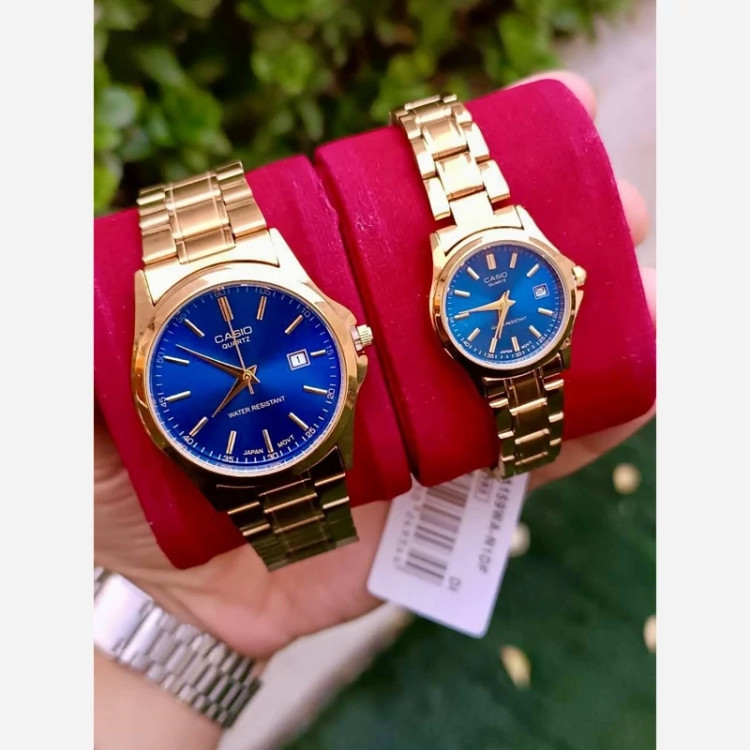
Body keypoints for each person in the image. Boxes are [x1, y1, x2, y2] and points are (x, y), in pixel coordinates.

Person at [94, 70, 656, 750]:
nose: (248, 374)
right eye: (238, 374)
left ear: (349, 337)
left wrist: (197, 617)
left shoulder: (260, 356)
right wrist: (198, 612)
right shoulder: (198, 377)